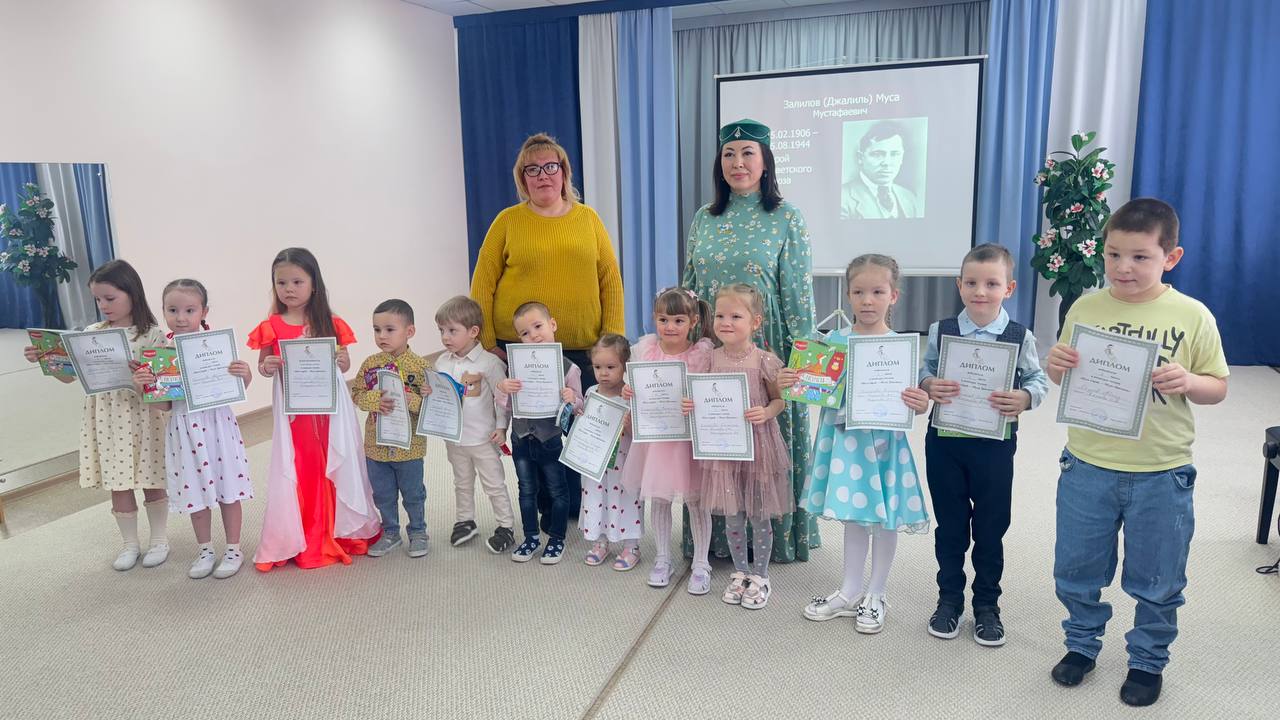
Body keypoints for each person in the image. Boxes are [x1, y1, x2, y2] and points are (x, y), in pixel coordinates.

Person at [1044, 199, 1228, 707]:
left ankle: (1147, 660)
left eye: (1140, 257)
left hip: (1161, 471)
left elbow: (1218, 387)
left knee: (1159, 576)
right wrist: (1056, 364)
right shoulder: (1085, 308)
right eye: (1113, 254)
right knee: (1076, 568)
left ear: (1171, 257)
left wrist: (1189, 381)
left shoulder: (1192, 315)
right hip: (1087, 464)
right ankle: (1081, 644)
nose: (1123, 267)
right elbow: (1062, 376)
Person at [683, 118, 817, 564]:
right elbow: (690, 285)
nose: (737, 162)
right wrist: (682, 346)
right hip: (713, 345)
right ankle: (715, 539)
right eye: (729, 154)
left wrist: (803, 362)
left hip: (766, 345)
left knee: (762, 438)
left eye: (747, 153)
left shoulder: (786, 216)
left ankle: (774, 540)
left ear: (765, 161)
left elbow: (797, 292)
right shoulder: (705, 217)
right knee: (716, 438)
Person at [470, 133, 625, 517]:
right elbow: (483, 282)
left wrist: (613, 340)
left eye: (550, 166)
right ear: (522, 178)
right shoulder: (508, 221)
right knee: (535, 433)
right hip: (523, 349)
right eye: (533, 169)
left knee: (580, 425)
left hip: (583, 347)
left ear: (564, 172)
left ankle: (580, 506)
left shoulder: (588, 219)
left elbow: (610, 279)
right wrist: (487, 341)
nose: (543, 175)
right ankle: (546, 507)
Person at [788, 254, 930, 634]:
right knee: (854, 514)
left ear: (893, 296)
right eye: (859, 292)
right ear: (848, 295)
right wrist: (795, 380)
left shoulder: (900, 347)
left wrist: (920, 403)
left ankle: (876, 593)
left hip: (884, 443)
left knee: (884, 517)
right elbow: (814, 389)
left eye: (878, 292)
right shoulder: (833, 341)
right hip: (846, 444)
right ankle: (850, 590)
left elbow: (914, 400)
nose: (868, 300)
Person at [918, 244, 1049, 645]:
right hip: (945, 443)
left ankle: (988, 606)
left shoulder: (1020, 336)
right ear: (959, 285)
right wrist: (928, 384)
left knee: (991, 529)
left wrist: (1025, 397)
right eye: (971, 283)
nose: (980, 291)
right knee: (950, 526)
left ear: (1008, 288)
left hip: (994, 447)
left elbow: (1037, 380)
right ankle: (949, 600)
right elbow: (924, 371)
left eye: (991, 283)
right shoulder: (942, 330)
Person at [23, 259, 170, 571]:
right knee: (119, 481)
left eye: (110, 298)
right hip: (107, 417)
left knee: (152, 476)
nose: (103, 306)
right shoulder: (90, 333)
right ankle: (130, 544)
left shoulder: (153, 335)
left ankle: (159, 539)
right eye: (98, 299)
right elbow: (69, 377)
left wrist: (142, 379)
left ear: (132, 293)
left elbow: (164, 386)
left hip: (144, 416)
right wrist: (46, 359)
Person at [249, 247, 380, 571]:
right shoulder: (272, 325)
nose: (289, 289)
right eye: (281, 283)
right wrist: (268, 365)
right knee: (304, 466)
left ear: (313, 284)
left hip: (328, 411)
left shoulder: (330, 323)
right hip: (296, 415)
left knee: (332, 461)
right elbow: (263, 366)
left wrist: (341, 360)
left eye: (297, 282)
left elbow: (344, 364)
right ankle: (306, 535)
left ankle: (339, 530)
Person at [130, 278, 254, 579]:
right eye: (172, 310)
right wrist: (144, 388)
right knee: (194, 490)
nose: (181, 317)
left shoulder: (217, 347)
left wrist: (245, 374)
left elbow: (236, 389)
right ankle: (205, 549)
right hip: (184, 429)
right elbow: (165, 406)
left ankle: (233, 549)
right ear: (163, 311)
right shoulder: (162, 354)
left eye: (189, 310)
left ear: (204, 312)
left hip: (218, 426)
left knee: (228, 488)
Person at [699, 285, 792, 609]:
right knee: (733, 516)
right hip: (724, 450)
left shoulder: (764, 361)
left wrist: (766, 411)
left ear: (755, 322)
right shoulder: (709, 359)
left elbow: (779, 401)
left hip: (758, 448)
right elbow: (701, 396)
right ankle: (740, 572)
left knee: (759, 515)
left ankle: (761, 575)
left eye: (735, 316)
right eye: (720, 315)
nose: (726, 322)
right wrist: (691, 404)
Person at [620, 287, 716, 593]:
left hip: (689, 441)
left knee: (696, 502)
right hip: (657, 442)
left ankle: (701, 563)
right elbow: (633, 385)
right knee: (659, 499)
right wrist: (629, 391)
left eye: (678, 320)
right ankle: (663, 558)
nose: (670, 327)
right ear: (654, 319)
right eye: (663, 320)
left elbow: (708, 394)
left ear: (693, 321)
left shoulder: (701, 355)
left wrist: (695, 402)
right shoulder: (645, 350)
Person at [495, 302, 583, 565]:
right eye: (525, 333)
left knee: (558, 490)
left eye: (538, 326)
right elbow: (506, 406)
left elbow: (580, 405)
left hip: (550, 439)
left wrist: (572, 398)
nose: (533, 335)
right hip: (521, 439)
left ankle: (557, 538)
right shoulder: (515, 368)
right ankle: (530, 537)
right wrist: (502, 389)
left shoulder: (569, 368)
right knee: (526, 490)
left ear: (552, 324)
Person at [430, 295, 516, 554]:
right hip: (455, 438)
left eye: (452, 331)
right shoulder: (441, 362)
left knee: (494, 484)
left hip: (483, 437)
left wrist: (501, 428)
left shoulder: (489, 363)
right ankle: (465, 520)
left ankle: (506, 526)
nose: (445, 337)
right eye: (441, 330)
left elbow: (502, 399)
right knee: (462, 482)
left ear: (473, 331)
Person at [352, 299, 431, 559]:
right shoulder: (370, 364)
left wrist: (413, 401)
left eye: (389, 329)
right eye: (377, 330)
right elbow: (356, 394)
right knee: (382, 494)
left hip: (410, 448)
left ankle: (418, 531)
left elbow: (432, 407)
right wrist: (374, 400)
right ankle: (390, 532)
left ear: (409, 331)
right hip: (376, 446)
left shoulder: (422, 367)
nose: (382, 336)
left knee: (413, 493)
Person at [578, 334, 643, 571]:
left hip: (623, 462)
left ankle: (631, 546)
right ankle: (600, 541)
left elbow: (641, 432)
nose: (603, 373)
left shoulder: (630, 395)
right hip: (596, 462)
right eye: (597, 367)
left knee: (626, 500)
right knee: (596, 499)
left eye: (611, 367)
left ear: (625, 366)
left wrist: (630, 426)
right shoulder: (591, 392)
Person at [840, 120, 921, 220]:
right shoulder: (842, 198)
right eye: (877, 154)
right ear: (860, 158)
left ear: (902, 158)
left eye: (894, 154)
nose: (887, 162)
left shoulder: (909, 197)